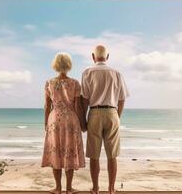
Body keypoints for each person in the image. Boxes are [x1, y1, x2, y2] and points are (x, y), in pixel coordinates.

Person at [81, 45, 129, 194]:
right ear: (107, 57)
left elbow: (84, 100)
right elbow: (121, 99)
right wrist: (117, 116)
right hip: (112, 112)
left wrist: (83, 120)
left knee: (94, 155)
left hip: (94, 113)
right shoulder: (116, 73)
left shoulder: (87, 72)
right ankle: (111, 189)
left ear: (93, 56)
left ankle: (95, 189)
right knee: (112, 155)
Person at [41, 52, 86, 194]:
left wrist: (45, 123)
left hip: (54, 120)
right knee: (69, 152)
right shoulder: (74, 83)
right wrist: (82, 122)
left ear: (55, 65)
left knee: (56, 152)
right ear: (69, 65)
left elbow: (47, 106)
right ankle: (69, 188)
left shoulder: (49, 83)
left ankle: (58, 188)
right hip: (71, 120)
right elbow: (78, 106)